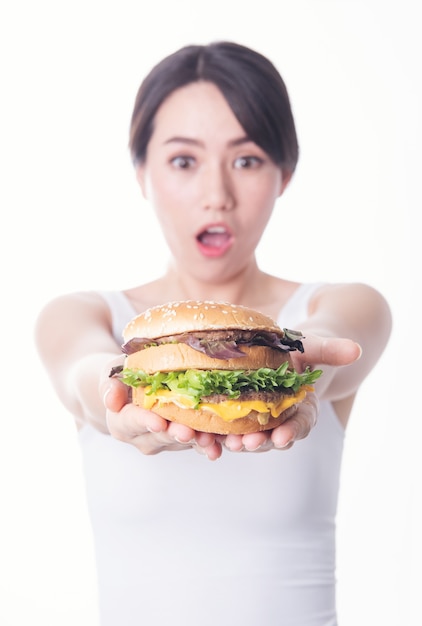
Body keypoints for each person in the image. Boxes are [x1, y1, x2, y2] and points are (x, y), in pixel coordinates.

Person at [35, 41, 392, 626]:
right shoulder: (81, 315)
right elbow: (83, 372)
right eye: (183, 160)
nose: (216, 195)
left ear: (285, 173)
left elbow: (328, 343)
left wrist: (290, 368)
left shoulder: (347, 304)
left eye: (247, 159)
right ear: (141, 172)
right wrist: (115, 393)